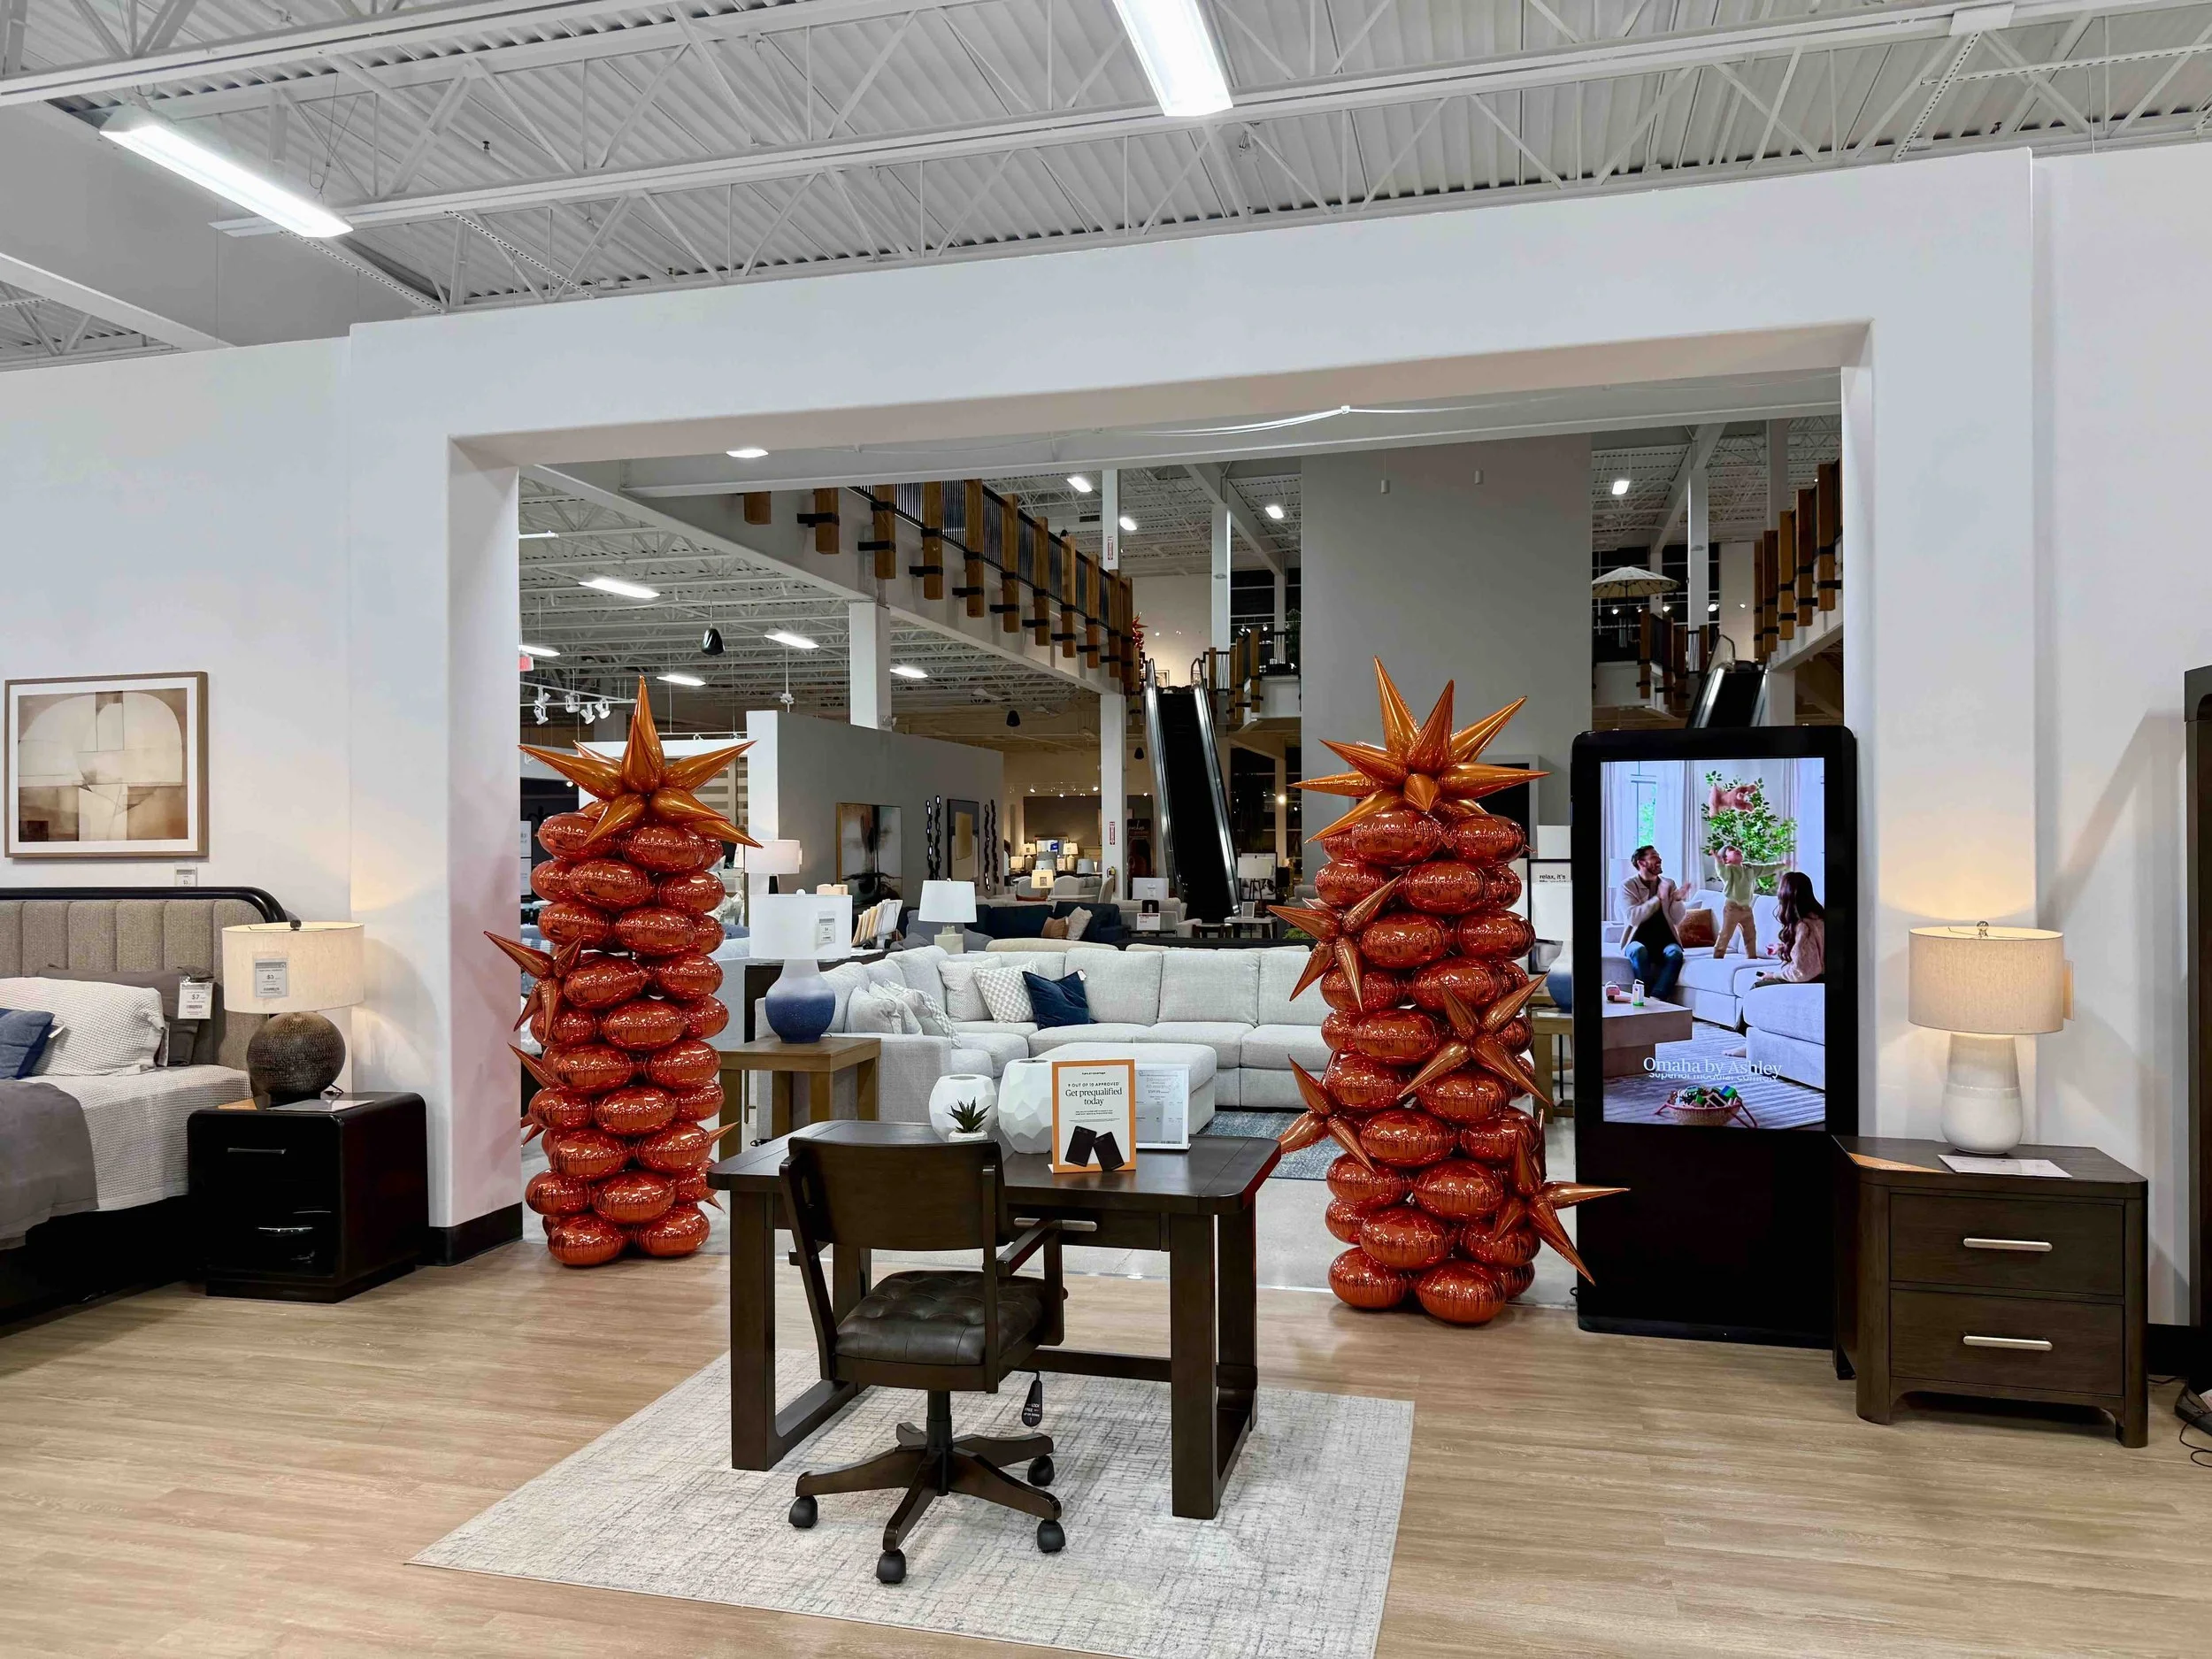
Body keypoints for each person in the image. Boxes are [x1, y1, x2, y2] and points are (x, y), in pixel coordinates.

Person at [1618, 843, 1696, 1001]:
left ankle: (1656, 998)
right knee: (1639, 951)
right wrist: (1658, 898)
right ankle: (1644, 997)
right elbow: (1633, 918)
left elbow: (1676, 919)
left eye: (1659, 856)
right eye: (1654, 856)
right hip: (1636, 940)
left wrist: (1677, 900)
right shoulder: (1628, 886)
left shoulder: (1668, 883)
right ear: (1641, 863)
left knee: (1675, 953)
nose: (1659, 859)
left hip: (1665, 940)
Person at [1709, 846, 1787, 958]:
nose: (1737, 850)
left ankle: (1752, 957)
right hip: (1732, 908)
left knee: (1750, 935)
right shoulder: (1728, 870)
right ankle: (1717, 957)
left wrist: (1782, 864)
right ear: (1726, 859)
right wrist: (1718, 861)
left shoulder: (1749, 868)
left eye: (1737, 848)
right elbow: (1721, 870)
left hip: (1747, 909)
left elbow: (1765, 868)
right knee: (1726, 934)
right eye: (1732, 850)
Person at [1753, 872, 1825, 986]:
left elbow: (1802, 972)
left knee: (1757, 986)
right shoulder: (1819, 918)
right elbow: (1813, 950)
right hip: (1820, 976)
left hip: (1813, 978)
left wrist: (1773, 975)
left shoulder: (1803, 926)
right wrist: (1783, 948)